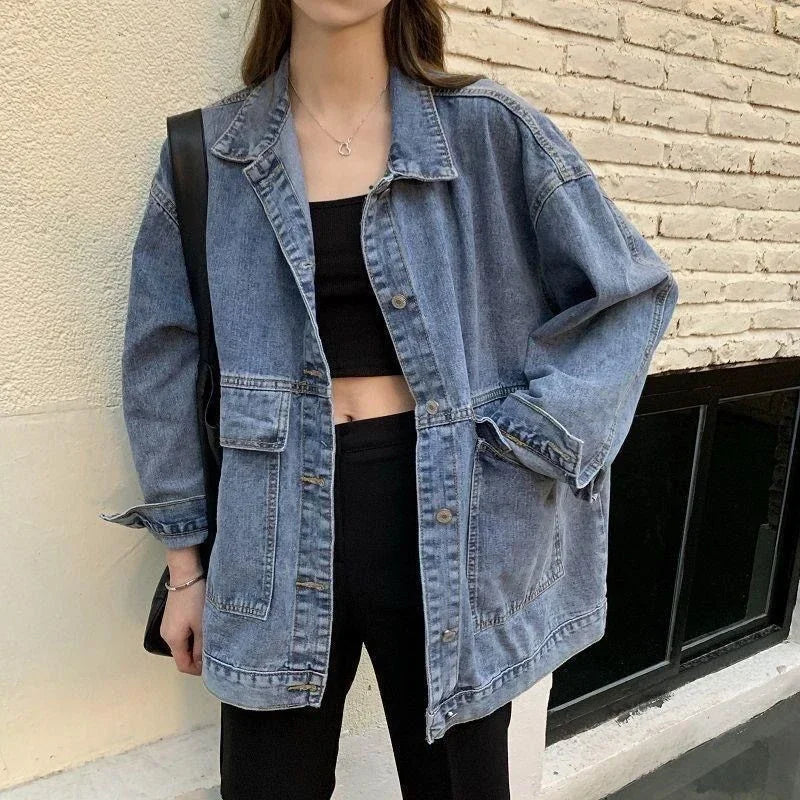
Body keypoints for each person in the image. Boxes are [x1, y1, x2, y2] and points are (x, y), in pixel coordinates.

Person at [100, 0, 680, 797]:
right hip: (270, 529)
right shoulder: (207, 155)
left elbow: (630, 296)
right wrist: (185, 567)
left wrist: (531, 438)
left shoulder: (487, 132)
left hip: (455, 514)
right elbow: (161, 365)